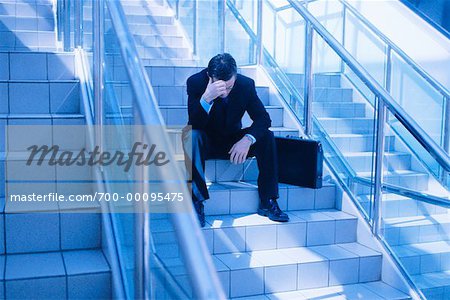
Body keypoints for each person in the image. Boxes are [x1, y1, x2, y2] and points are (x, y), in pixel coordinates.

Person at [182, 53, 289, 227]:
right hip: (206, 142)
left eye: (229, 86)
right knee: (190, 135)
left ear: (235, 75)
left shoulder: (245, 85)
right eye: (221, 87)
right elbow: (194, 124)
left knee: (266, 136)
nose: (225, 92)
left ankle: (268, 200)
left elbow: (263, 118)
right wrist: (206, 98)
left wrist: (247, 139)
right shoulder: (196, 82)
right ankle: (196, 202)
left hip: (233, 142)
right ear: (210, 76)